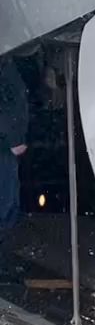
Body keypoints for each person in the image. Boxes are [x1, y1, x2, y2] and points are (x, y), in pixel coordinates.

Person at [0, 56, 29, 280]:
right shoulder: (5, 66)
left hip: (6, 145)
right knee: (6, 204)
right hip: (4, 146)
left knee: (8, 205)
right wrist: (14, 137)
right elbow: (13, 102)